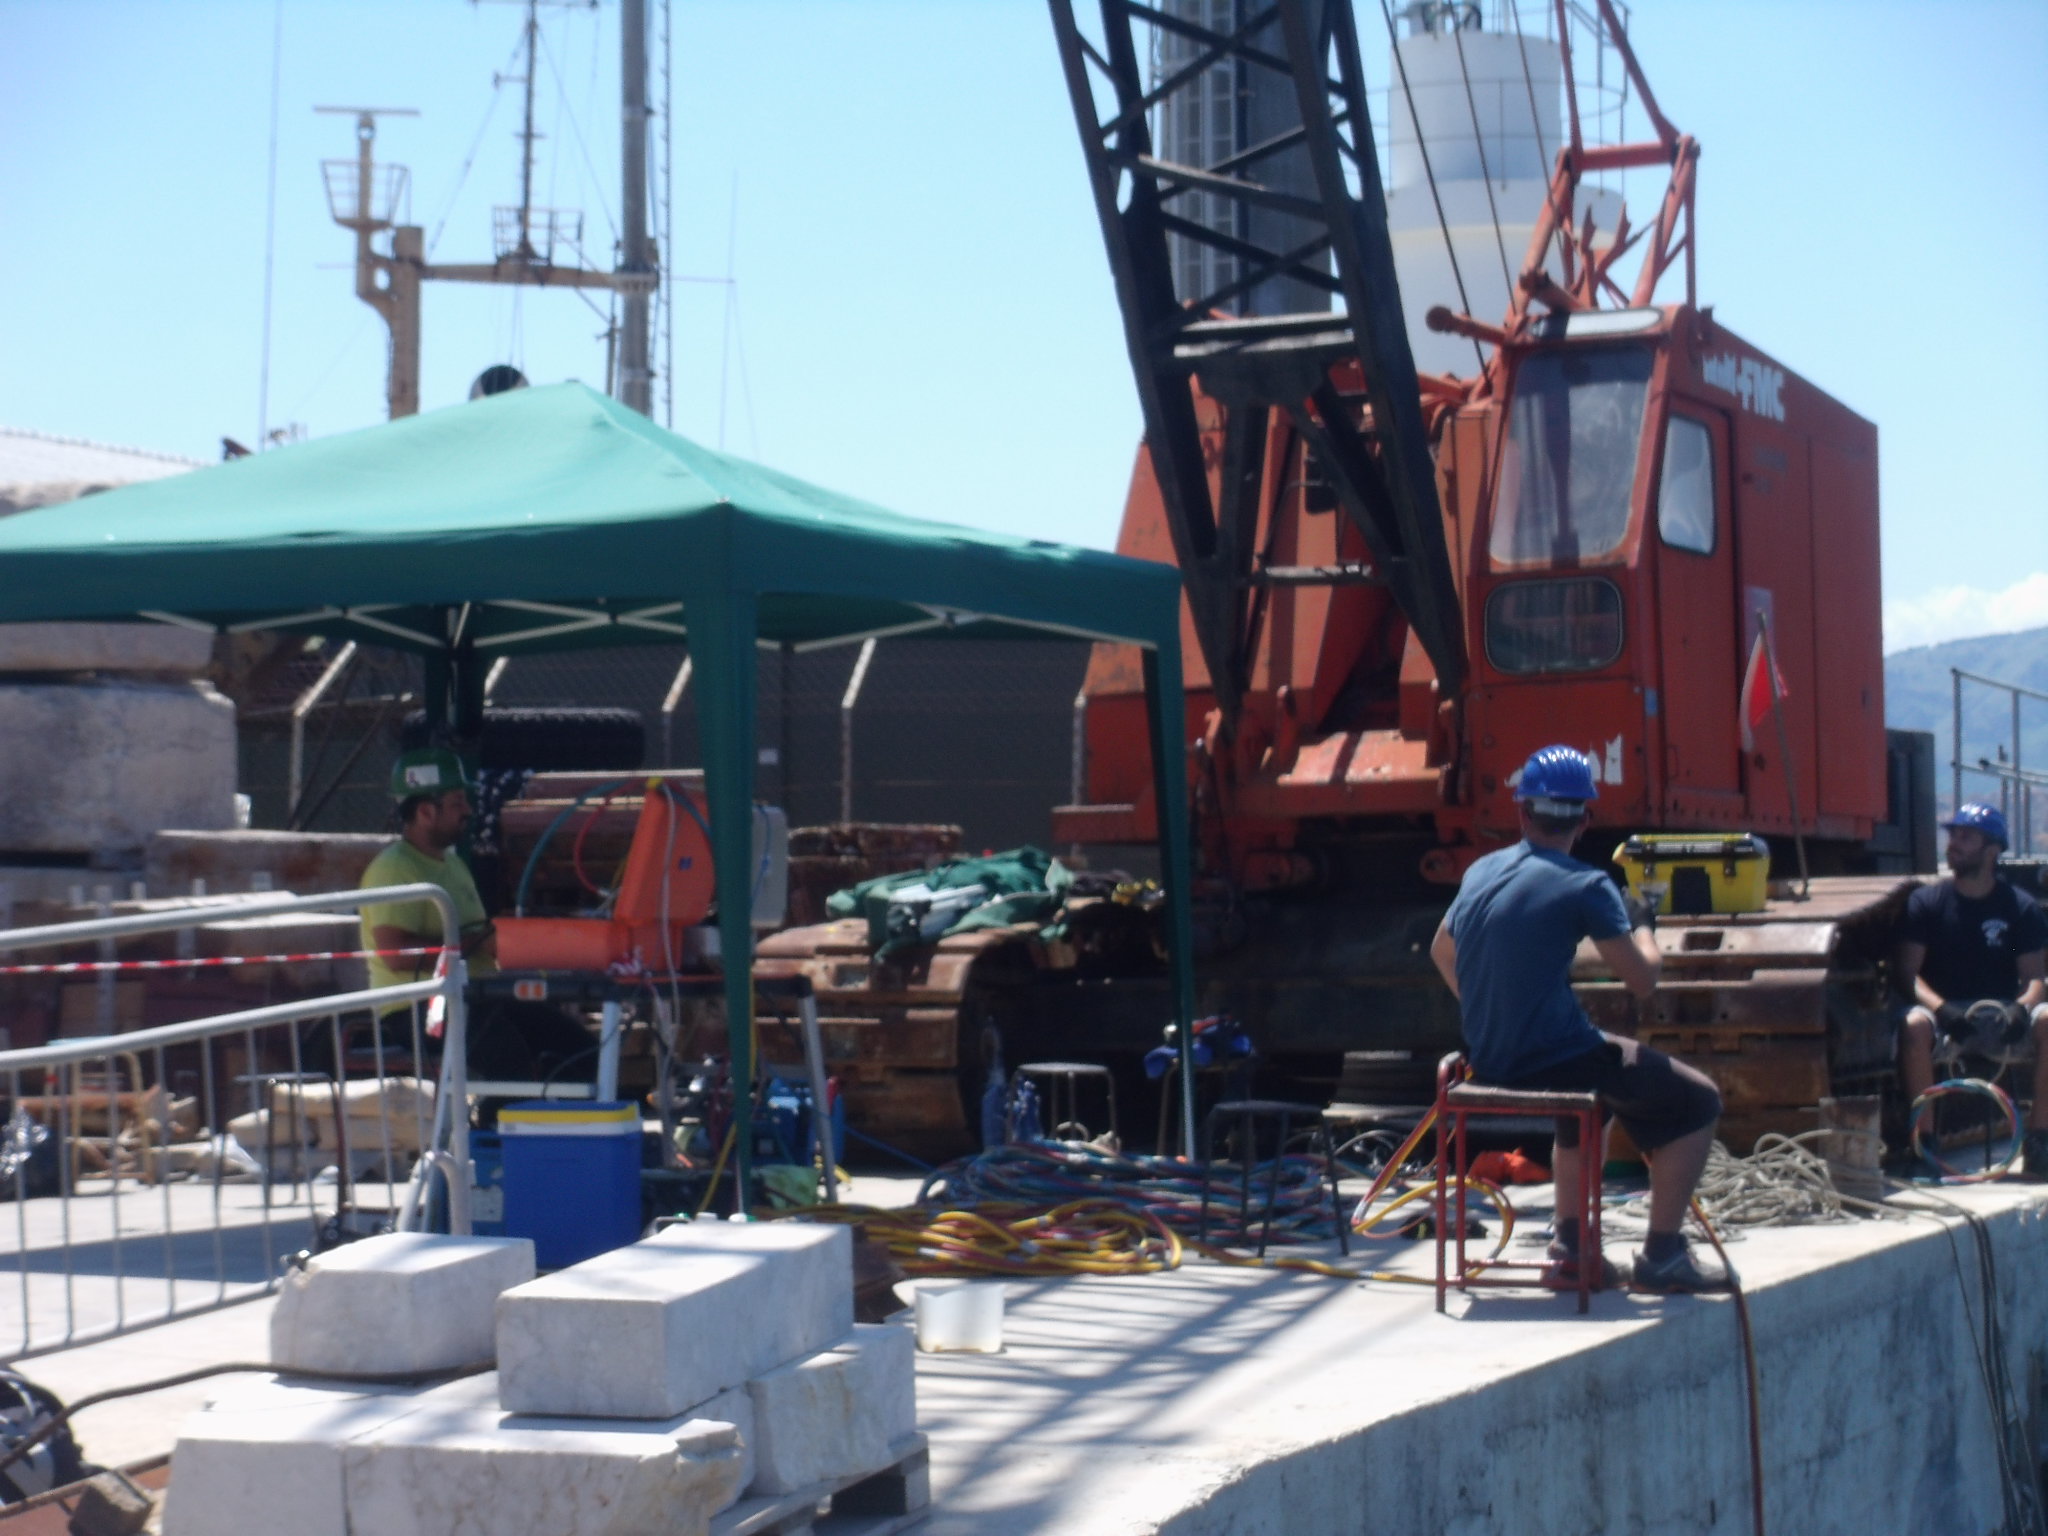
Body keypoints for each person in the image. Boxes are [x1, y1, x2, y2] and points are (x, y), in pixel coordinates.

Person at [1429, 745, 1727, 1294]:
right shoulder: (1587, 885)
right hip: (1555, 1061)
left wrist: (1490, 1008)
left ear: (1522, 812)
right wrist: (1642, 923)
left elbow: (1440, 951)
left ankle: (1571, 1249)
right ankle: (1663, 1256)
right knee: (1698, 1099)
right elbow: (1642, 980)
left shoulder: (1480, 871)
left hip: (1488, 1062)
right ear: (1585, 820)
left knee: (1592, 1090)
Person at [1896, 802, 2048, 1175]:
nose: (1954, 844)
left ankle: (2040, 1141)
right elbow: (1908, 973)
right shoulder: (1927, 903)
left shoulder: (2020, 908)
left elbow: (2035, 979)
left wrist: (2021, 1008)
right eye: (1953, 836)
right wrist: (1942, 1009)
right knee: (1913, 1026)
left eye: (1966, 837)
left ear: (1992, 850)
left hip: (2002, 1018)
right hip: (1946, 1019)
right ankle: (1924, 1146)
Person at [358, 748, 498, 1024]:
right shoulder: (394, 869)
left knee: (563, 1039)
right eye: (458, 802)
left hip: (470, 1000)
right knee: (525, 1047)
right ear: (425, 812)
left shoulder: (454, 864)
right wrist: (478, 944)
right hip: (419, 1013)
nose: (468, 810)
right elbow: (396, 955)